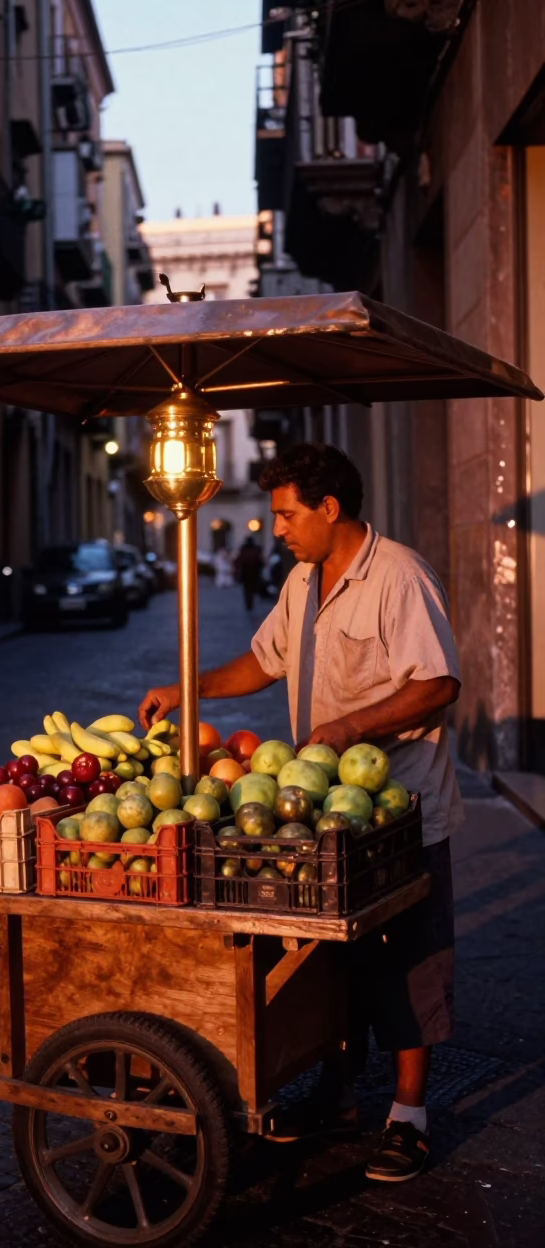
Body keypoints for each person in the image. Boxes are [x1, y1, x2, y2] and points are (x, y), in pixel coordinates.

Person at [139, 442, 462, 1183]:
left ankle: (409, 1115)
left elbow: (439, 683)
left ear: (329, 508)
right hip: (325, 816)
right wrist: (188, 686)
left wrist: (352, 727)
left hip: (399, 811)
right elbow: (263, 661)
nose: (277, 528)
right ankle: (340, 1096)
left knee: (410, 961)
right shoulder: (300, 582)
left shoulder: (400, 576)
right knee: (334, 964)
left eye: (287, 514)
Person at [233, 535, 264, 611]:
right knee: (251, 589)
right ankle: (250, 603)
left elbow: (238, 561)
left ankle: (248, 604)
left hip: (246, 573)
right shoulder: (255, 550)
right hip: (253, 573)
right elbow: (260, 562)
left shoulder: (244, 550)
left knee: (247, 589)